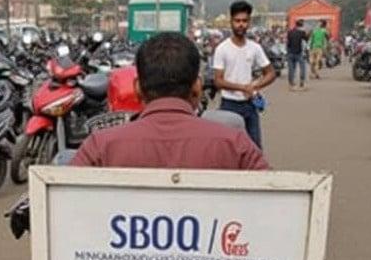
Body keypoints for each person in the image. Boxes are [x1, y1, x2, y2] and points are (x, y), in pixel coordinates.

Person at [72, 32, 268, 171]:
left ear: (138, 88)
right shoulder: (236, 146)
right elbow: (276, 205)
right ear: (197, 87)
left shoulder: (99, 147)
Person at [212, 0, 276, 148]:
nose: (241, 24)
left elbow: (271, 73)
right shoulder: (222, 49)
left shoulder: (255, 48)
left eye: (244, 21)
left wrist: (255, 85)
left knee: (255, 148)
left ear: (249, 22)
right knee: (228, 149)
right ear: (231, 22)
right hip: (229, 105)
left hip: (249, 106)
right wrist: (242, 88)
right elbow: (218, 81)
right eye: (237, 21)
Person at [286, 18, 308, 91]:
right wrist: (307, 32)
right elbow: (306, 39)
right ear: (301, 25)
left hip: (290, 52)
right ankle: (302, 82)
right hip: (298, 52)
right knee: (302, 67)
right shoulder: (302, 32)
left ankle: (291, 84)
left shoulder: (290, 32)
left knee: (291, 69)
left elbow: (288, 43)